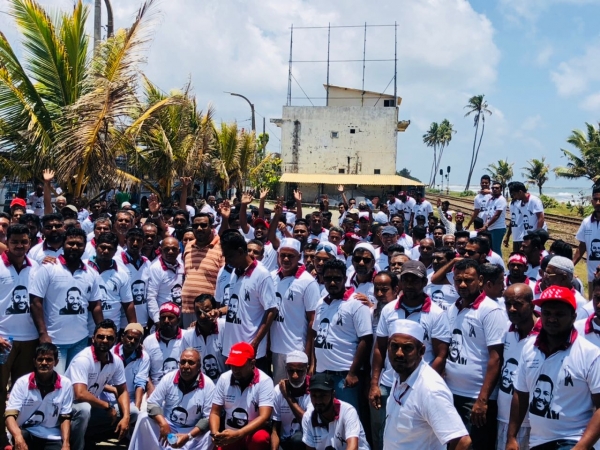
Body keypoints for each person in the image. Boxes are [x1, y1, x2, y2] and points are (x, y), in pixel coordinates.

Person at [508, 286, 600, 450]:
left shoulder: (590, 354)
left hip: (572, 441)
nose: (551, 319)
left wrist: (582, 447)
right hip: (537, 442)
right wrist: (511, 437)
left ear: (573, 317)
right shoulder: (529, 347)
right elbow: (521, 394)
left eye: (559, 314)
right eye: (547, 313)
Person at [445, 259, 506, 449]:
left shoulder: (490, 311)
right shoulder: (452, 309)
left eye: (468, 280)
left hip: (475, 398)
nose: (462, 285)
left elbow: (496, 358)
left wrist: (482, 400)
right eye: (458, 280)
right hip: (451, 393)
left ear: (480, 280)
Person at [383, 319, 471, 450]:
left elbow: (462, 441)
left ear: (421, 351)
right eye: (394, 346)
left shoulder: (430, 389)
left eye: (407, 348)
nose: (399, 353)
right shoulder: (400, 375)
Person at [30, 227, 103, 374]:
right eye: (70, 243)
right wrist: (43, 334)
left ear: (85, 247)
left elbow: (95, 305)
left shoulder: (91, 273)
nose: (75, 247)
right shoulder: (48, 268)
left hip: (81, 341)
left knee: (77, 384)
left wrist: (101, 330)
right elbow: (35, 302)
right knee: (56, 385)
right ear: (63, 244)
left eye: (79, 244)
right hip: (54, 341)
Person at [313, 259, 372, 412]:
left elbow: (365, 339)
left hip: (344, 376)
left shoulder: (356, 303)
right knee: (327, 418)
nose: (332, 282)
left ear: (345, 279)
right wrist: (313, 366)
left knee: (350, 420)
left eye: (337, 278)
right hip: (322, 375)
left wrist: (353, 373)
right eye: (328, 278)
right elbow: (316, 335)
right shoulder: (321, 303)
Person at [0, 224, 40, 446]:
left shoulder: (36, 267)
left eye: (24, 241)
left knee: (21, 391)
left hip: (29, 338)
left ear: (30, 242)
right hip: (3, 340)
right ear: (7, 240)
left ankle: (17, 435)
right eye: (14, 241)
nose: (19, 246)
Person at [67, 319, 135, 450]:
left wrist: (126, 417)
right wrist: (107, 406)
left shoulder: (116, 361)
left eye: (109, 338)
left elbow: (122, 391)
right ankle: (76, 446)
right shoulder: (83, 359)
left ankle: (89, 437)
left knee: (133, 412)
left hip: (93, 408)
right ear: (93, 338)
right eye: (101, 336)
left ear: (115, 340)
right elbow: (80, 394)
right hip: (68, 409)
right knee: (84, 409)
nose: (105, 340)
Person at [129, 348, 215, 450]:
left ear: (199, 366)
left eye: (191, 363)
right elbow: (152, 403)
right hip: (169, 427)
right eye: (183, 362)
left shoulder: (209, 385)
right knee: (143, 418)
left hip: (192, 431)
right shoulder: (169, 378)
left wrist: (188, 436)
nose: (186, 366)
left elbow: (207, 418)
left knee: (211, 434)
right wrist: (163, 424)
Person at [219, 230, 278, 372]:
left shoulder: (262, 275)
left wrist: (255, 343)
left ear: (240, 251)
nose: (227, 261)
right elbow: (242, 304)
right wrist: (219, 311)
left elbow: (271, 310)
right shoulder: (235, 271)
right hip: (231, 348)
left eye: (229, 256)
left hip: (250, 351)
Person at [5, 343, 73, 450]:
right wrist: (18, 437)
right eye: (40, 359)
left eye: (49, 360)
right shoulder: (22, 382)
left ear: (56, 362)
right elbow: (10, 415)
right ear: (34, 362)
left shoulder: (66, 384)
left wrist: (66, 444)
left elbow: (65, 417)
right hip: (26, 431)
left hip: (51, 434)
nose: (44, 363)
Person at [496, 283, 539, 450]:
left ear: (532, 304)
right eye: (508, 304)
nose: (512, 309)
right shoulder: (507, 330)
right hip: (503, 416)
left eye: (518, 304)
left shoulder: (545, 335)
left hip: (532, 422)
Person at [271, 238, 320, 383]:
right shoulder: (272, 277)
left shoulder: (307, 282)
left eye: (291, 256)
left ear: (299, 257)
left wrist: (309, 355)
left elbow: (313, 321)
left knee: (297, 393)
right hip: (276, 347)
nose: (286, 259)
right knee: (279, 391)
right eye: (282, 255)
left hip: (297, 349)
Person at [209, 342, 274, 450]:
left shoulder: (265, 381)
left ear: (252, 363)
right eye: (232, 365)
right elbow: (215, 412)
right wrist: (215, 434)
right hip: (229, 433)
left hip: (252, 433)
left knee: (260, 438)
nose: (235, 369)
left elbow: (264, 417)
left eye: (240, 365)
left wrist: (239, 434)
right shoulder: (224, 378)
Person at [301, 372, 369, 450]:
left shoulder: (348, 411)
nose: (318, 401)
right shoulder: (308, 417)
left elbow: (353, 447)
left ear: (333, 394)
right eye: (314, 396)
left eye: (323, 396)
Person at [85, 231, 136, 333]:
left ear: (115, 250)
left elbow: (128, 304)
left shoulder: (121, 273)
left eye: (110, 248)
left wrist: (134, 329)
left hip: (111, 333)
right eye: (103, 247)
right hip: (84, 332)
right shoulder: (83, 267)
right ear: (96, 247)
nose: (106, 251)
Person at [181, 212, 224, 327]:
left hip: (209, 310)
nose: (199, 228)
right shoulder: (188, 246)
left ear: (212, 227)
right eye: (195, 226)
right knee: (189, 343)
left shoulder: (221, 247)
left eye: (204, 225)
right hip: (187, 308)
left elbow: (224, 280)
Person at [271, 351, 312, 450]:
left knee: (297, 439)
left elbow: (307, 422)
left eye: (300, 371)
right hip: (285, 441)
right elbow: (274, 430)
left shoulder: (313, 390)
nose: (295, 376)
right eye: (291, 371)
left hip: (307, 442)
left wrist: (288, 397)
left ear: (306, 369)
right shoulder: (278, 390)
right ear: (286, 370)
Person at [181, 293, 226, 382]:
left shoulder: (225, 328)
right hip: (201, 387)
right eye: (198, 313)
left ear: (214, 310)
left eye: (206, 311)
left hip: (224, 386)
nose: (202, 316)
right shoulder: (188, 336)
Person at [143, 302, 185, 388]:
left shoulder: (187, 337)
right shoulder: (149, 341)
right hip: (156, 388)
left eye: (170, 317)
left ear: (178, 320)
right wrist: (150, 387)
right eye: (163, 318)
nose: (166, 321)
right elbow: (143, 370)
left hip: (181, 388)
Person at [117, 228, 151, 328]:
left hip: (143, 319)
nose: (135, 243)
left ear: (143, 243)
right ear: (125, 241)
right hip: (123, 322)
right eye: (132, 240)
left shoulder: (147, 263)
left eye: (139, 240)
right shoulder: (117, 261)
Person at [111, 323, 149, 411]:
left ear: (140, 342)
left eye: (136, 339)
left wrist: (137, 408)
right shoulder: (110, 352)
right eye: (129, 337)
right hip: (110, 396)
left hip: (131, 397)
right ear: (122, 337)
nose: (132, 341)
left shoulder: (144, 357)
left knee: (143, 411)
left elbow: (140, 383)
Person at [146, 236, 184, 323]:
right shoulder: (155, 268)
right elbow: (151, 296)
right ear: (160, 250)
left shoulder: (181, 266)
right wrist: (157, 320)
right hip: (164, 319)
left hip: (179, 318)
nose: (170, 252)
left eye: (174, 249)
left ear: (179, 250)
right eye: (167, 249)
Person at [574, 185, 600, 299]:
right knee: (593, 306)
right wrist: (571, 265)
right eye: (595, 199)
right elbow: (582, 246)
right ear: (592, 201)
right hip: (592, 276)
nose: (598, 202)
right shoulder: (586, 222)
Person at [481, 181, 507, 255]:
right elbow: (488, 213)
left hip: (498, 228)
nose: (494, 189)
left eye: (497, 188)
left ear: (501, 189)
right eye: (493, 188)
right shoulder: (491, 199)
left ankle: (499, 265)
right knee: (490, 248)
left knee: (496, 249)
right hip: (490, 228)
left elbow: (496, 215)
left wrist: (486, 225)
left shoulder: (501, 200)